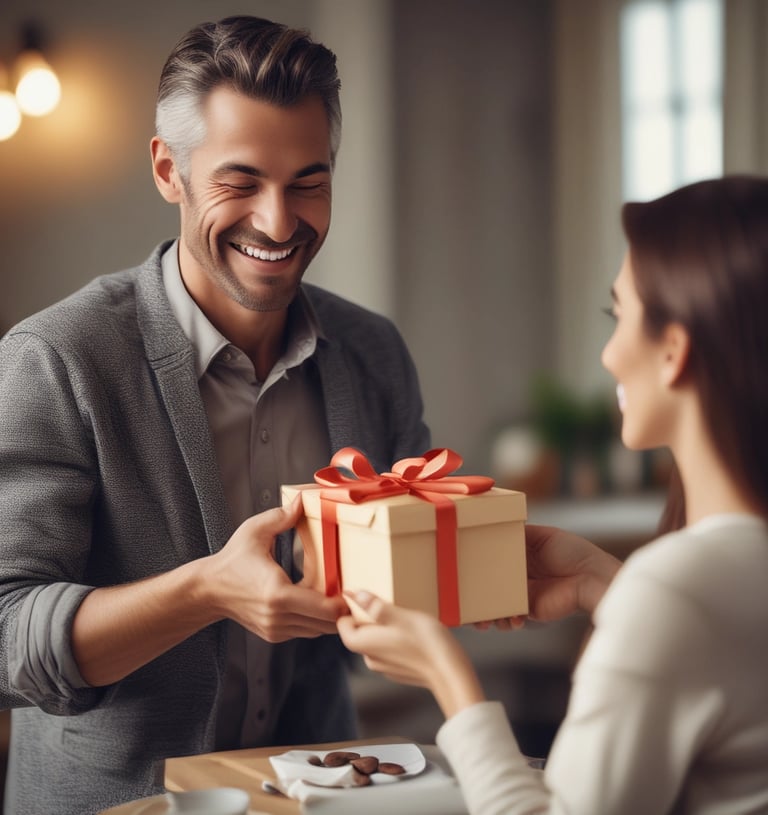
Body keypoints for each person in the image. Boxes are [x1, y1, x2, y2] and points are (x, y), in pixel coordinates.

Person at [0, 15, 430, 815]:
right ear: (170, 170)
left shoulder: (373, 354)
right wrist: (205, 591)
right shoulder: (55, 358)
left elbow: (406, 595)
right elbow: (6, 637)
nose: (278, 220)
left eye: (309, 179)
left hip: (321, 797)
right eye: (241, 181)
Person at [338, 176, 768, 814]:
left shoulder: (677, 590)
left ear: (674, 349)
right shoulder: (714, 577)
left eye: (618, 315)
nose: (609, 353)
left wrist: (448, 678)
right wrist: (604, 583)